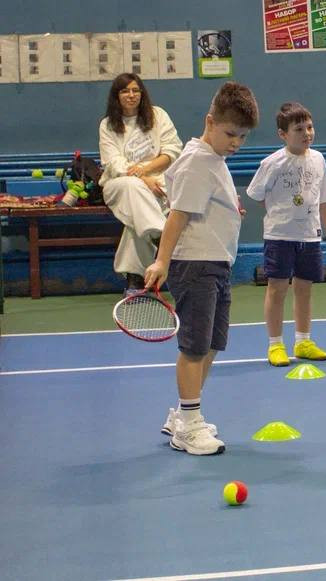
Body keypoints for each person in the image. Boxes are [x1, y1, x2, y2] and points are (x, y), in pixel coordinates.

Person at [144, 82, 259, 455]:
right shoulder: (197, 161)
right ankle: (189, 427)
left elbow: (201, 205)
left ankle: (183, 415)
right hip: (196, 264)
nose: (236, 143)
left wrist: (229, 209)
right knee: (194, 348)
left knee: (211, 344)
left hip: (216, 264)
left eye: (242, 136)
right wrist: (162, 260)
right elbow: (177, 215)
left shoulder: (213, 159)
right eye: (230, 134)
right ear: (210, 122)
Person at [247, 102, 326, 367]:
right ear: (283, 134)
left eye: (309, 127)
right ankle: (275, 344)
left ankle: (303, 342)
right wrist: (281, 212)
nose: (307, 133)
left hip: (310, 237)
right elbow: (256, 195)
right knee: (277, 289)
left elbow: (323, 200)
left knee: (304, 290)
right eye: (299, 129)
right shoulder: (272, 163)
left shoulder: (319, 159)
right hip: (279, 237)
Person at [98, 74, 183, 289]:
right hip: (120, 183)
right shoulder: (107, 125)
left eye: (135, 90)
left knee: (135, 220)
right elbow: (114, 163)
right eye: (125, 91)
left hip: (158, 180)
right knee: (133, 187)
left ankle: (135, 280)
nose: (131, 95)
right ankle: (161, 237)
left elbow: (172, 150)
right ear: (116, 96)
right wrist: (143, 178)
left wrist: (146, 170)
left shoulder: (158, 115)